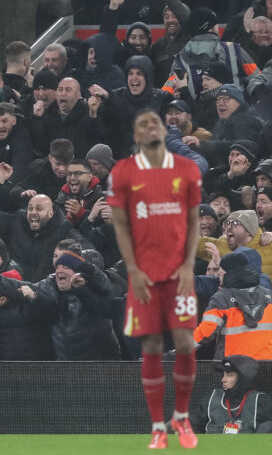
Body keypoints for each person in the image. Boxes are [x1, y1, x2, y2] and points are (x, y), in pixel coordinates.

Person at [107, 109, 202, 449]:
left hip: (179, 273)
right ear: (135, 136)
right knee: (151, 345)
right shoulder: (123, 172)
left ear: (165, 129)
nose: (150, 127)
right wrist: (132, 269)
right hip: (144, 274)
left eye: (155, 122)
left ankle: (181, 416)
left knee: (186, 342)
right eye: (142, 124)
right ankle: (158, 426)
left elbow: (193, 221)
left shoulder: (187, 169)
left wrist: (190, 265)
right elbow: (119, 224)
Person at [193, 251, 272, 361]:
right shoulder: (269, 296)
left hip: (231, 368)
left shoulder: (221, 299)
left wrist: (182, 349)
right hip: (267, 367)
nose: (218, 278)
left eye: (220, 274)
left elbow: (205, 332)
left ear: (227, 274)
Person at [191, 355, 272, 434]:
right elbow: (193, 426)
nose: (223, 380)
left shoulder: (260, 401)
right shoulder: (212, 398)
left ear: (242, 378)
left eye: (229, 375)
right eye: (224, 374)